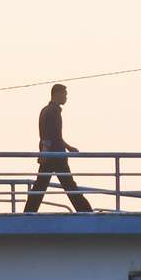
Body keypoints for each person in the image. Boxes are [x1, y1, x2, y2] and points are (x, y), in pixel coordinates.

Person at [23, 84, 93, 214]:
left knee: (41, 186)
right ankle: (86, 212)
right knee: (69, 186)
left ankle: (28, 212)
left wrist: (68, 147)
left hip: (52, 154)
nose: (66, 97)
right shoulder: (53, 112)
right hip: (55, 156)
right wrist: (45, 150)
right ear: (57, 94)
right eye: (64, 94)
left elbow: (55, 136)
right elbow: (48, 135)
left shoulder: (47, 110)